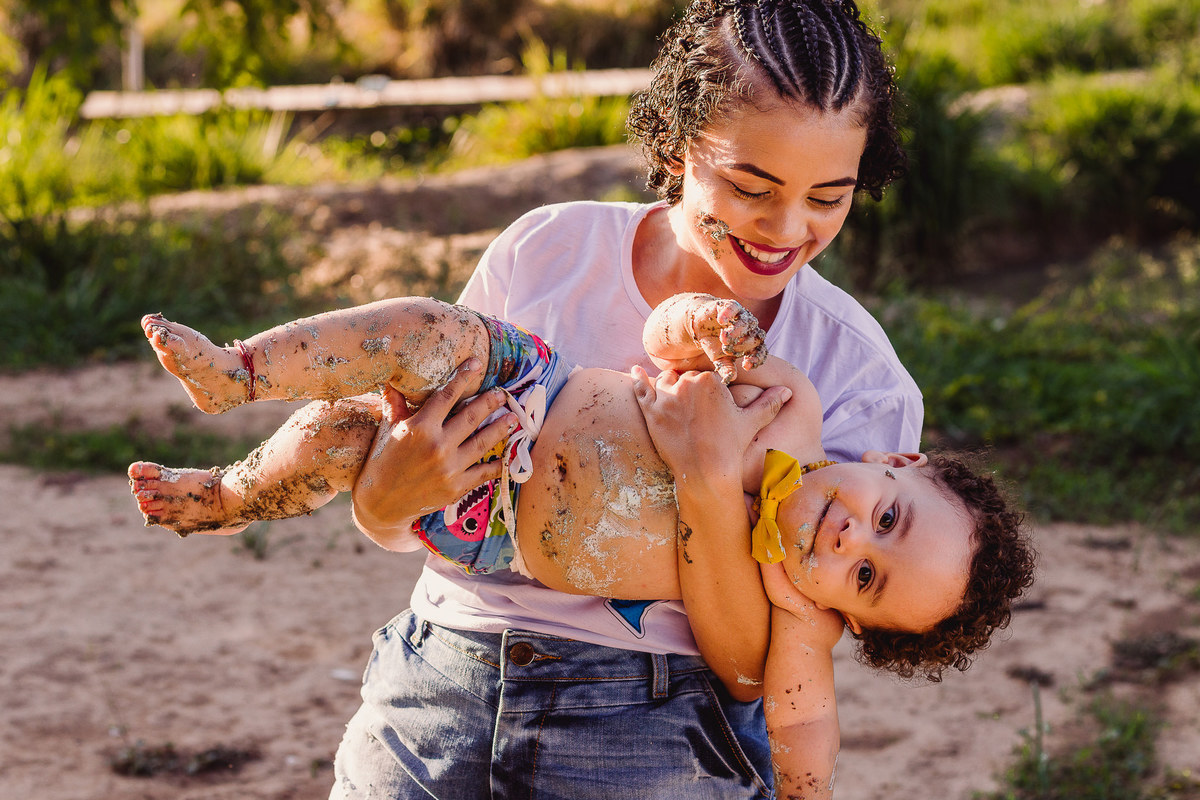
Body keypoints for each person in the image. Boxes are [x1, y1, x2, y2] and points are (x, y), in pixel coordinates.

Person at [128, 291, 1033, 800]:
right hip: (519, 394)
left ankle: (222, 498)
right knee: (425, 335)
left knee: (340, 439)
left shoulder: (793, 607)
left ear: (852, 615)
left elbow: (801, 722)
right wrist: (702, 325)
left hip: (491, 527)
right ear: (895, 460)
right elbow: (659, 336)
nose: (846, 538)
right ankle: (238, 374)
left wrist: (804, 791)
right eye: (887, 517)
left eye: (865, 577)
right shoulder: (789, 406)